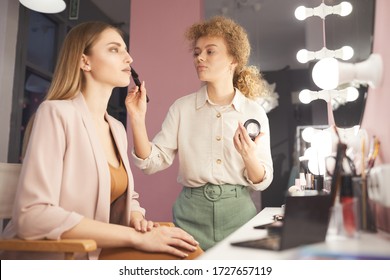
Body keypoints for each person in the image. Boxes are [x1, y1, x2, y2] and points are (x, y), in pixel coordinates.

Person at [2, 21, 200, 260]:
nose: (129, 58)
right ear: (85, 61)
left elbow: (122, 194)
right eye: (114, 49)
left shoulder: (116, 128)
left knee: (190, 252)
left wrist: (137, 218)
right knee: (188, 259)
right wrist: (137, 238)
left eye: (126, 50)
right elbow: (32, 216)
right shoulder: (55, 113)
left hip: (98, 249)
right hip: (64, 255)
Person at [126, 16, 274, 250]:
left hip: (239, 216)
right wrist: (136, 118)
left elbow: (261, 181)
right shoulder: (182, 108)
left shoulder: (253, 111)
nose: (200, 58)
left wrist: (248, 156)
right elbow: (151, 163)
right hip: (189, 217)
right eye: (196, 53)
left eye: (210, 51)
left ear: (233, 59)